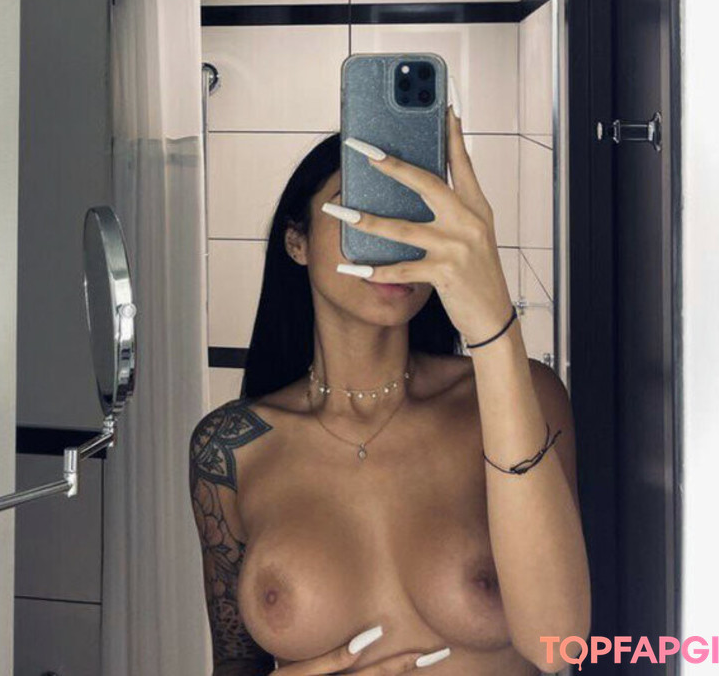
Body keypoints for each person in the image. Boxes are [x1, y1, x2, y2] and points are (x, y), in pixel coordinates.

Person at [189, 106, 590, 675]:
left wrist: (493, 326)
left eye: (413, 218)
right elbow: (235, 664)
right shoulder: (230, 450)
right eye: (361, 212)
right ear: (297, 242)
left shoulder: (517, 397)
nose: (392, 242)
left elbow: (558, 643)